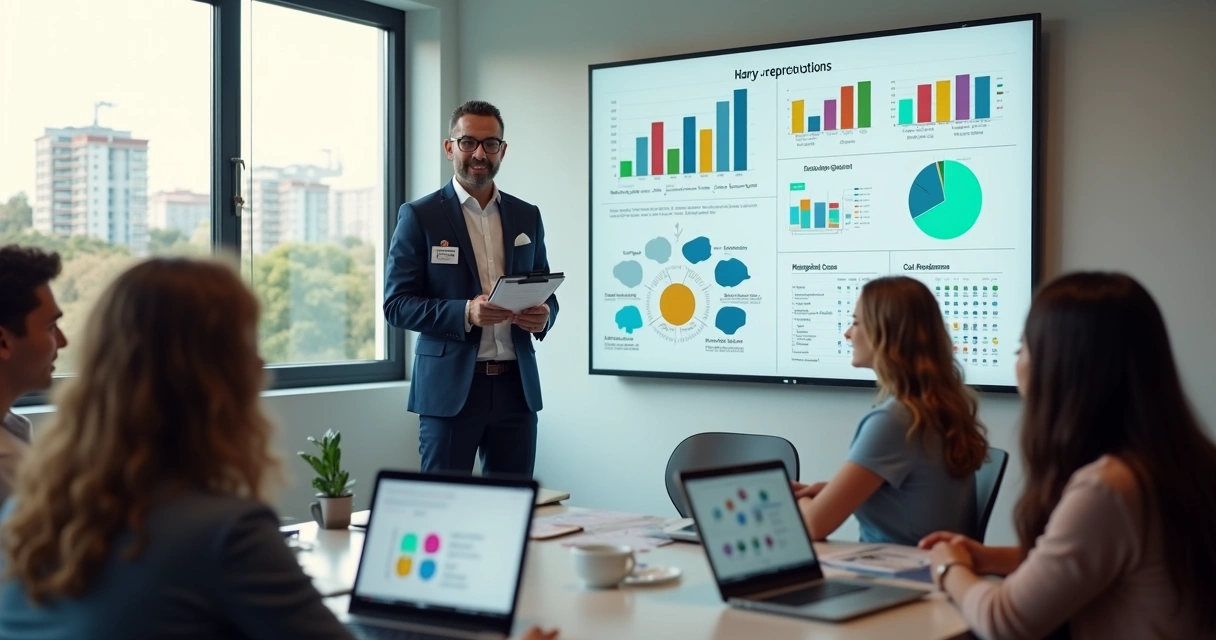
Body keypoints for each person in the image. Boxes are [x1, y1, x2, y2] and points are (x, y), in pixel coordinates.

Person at [0, 257, 557, 640]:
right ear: (211, 375)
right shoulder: (224, 532)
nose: (260, 364)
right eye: (246, 345)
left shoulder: (28, 516)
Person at [920, 272, 1216, 640]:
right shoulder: (1182, 460)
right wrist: (988, 558)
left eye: (1021, 349)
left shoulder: (1109, 488)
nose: (1017, 364)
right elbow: (1094, 558)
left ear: (1059, 365)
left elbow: (1004, 621)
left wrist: (950, 569)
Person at [384, 100, 558, 477]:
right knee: (443, 509)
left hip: (516, 389)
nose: (479, 153)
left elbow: (545, 289)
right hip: (449, 392)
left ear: (503, 150)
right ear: (450, 147)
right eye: (468, 142)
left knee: (511, 509)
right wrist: (465, 312)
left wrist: (545, 315)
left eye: (490, 144)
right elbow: (396, 304)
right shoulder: (419, 216)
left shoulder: (527, 215)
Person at [792, 276, 988, 545]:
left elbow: (813, 526)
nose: (847, 333)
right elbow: (913, 497)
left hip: (900, 574)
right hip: (932, 569)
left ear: (885, 333)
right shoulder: (935, 407)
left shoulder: (895, 419)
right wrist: (830, 493)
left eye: (857, 322)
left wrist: (800, 499)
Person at [0, 245, 67, 503]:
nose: (62, 341)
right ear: (3, 342)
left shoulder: (11, 429)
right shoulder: (8, 467)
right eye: (51, 327)